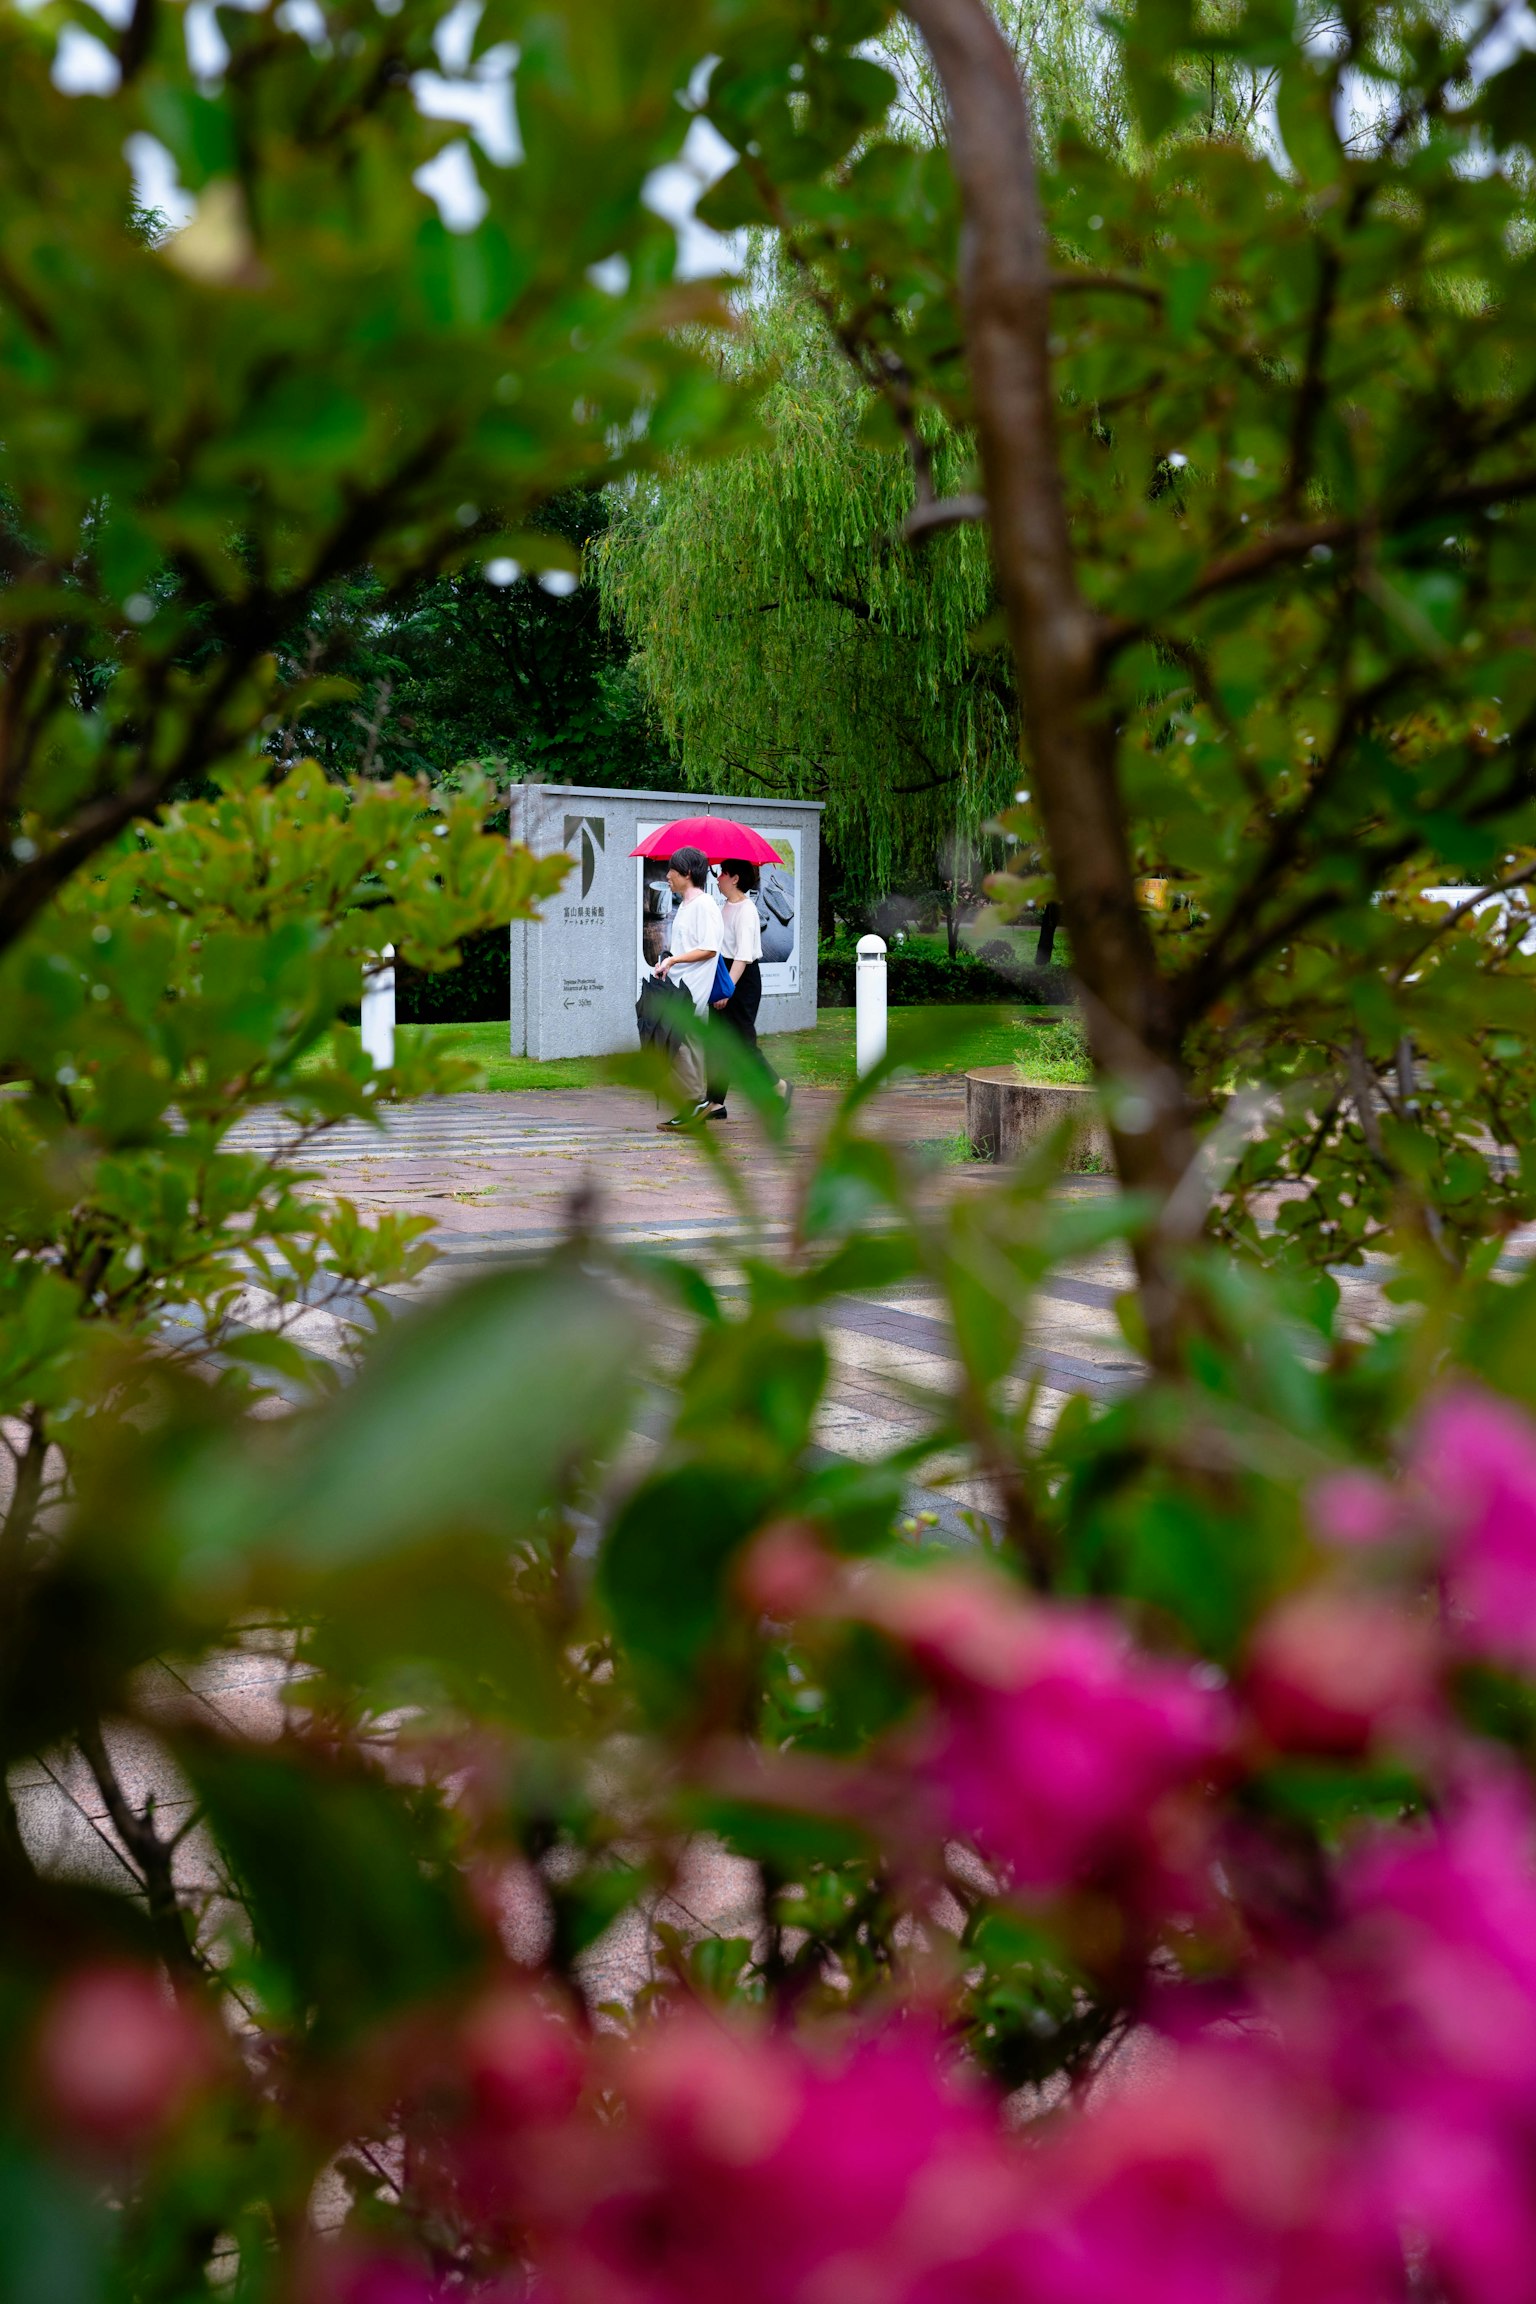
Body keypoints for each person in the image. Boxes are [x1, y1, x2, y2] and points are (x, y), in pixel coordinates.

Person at [704, 858, 792, 1122]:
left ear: (735, 879)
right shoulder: (726, 907)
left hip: (741, 980)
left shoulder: (746, 910)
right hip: (726, 974)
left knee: (742, 1043)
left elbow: (742, 956)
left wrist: (726, 990)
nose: (718, 878)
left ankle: (779, 1086)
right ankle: (715, 1102)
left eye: (723, 873)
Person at [650, 846, 723, 1130]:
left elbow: (708, 948)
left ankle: (694, 1107)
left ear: (687, 873)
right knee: (681, 1046)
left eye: (671, 870)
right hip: (680, 986)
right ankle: (691, 1107)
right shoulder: (687, 905)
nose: (667, 875)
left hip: (692, 991)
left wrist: (673, 959)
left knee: (685, 1046)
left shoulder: (705, 906)